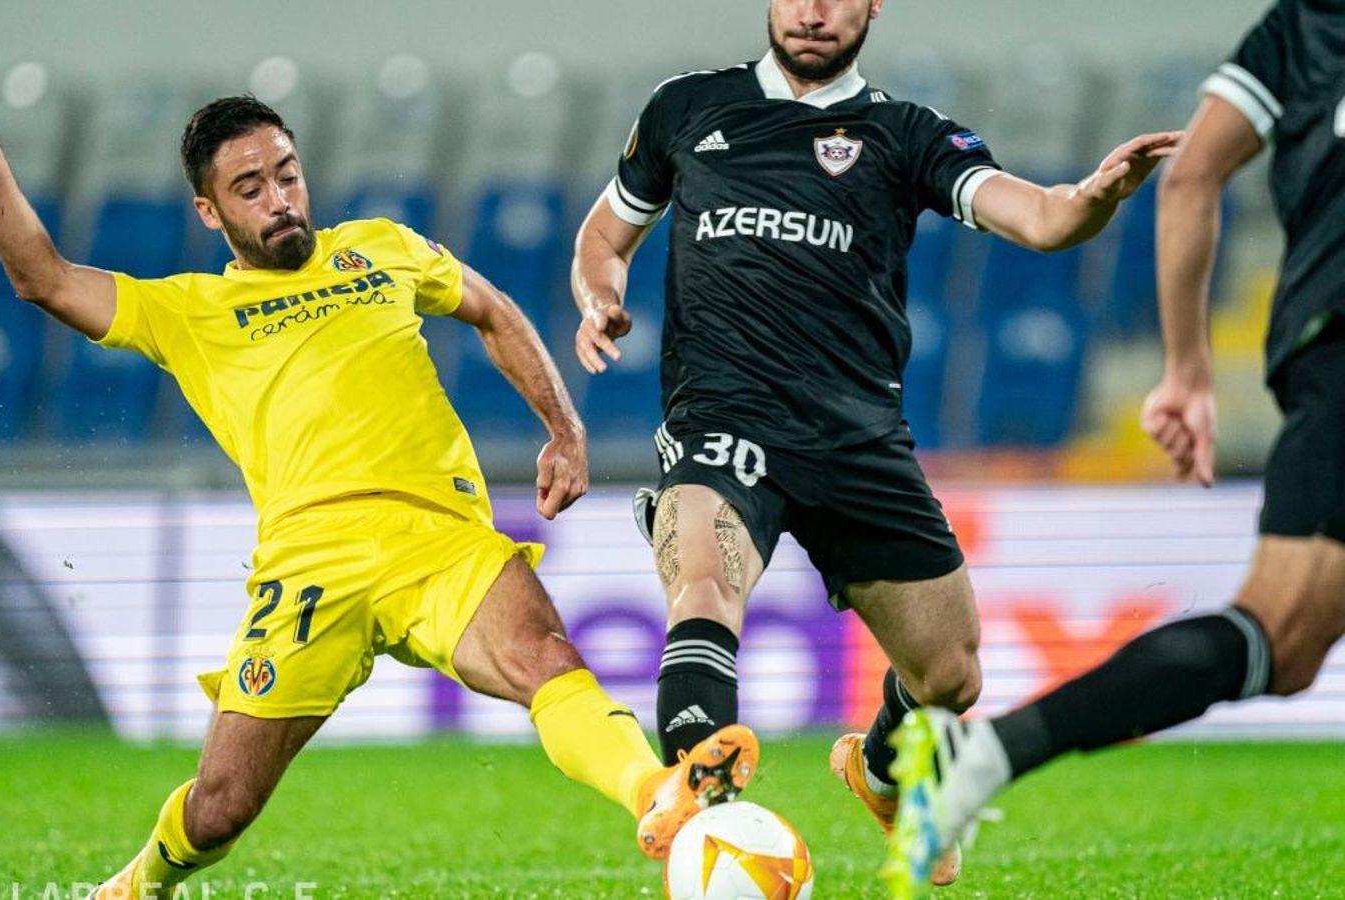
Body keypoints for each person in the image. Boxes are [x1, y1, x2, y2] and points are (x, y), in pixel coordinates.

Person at [0, 31, 761, 895]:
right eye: (249, 188)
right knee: (219, 809)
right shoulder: (188, 310)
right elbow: (44, 277)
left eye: (286, 173)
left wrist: (565, 428)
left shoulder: (382, 248)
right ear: (209, 212)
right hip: (310, 563)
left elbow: (492, 308)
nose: (279, 198)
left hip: (438, 538)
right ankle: (141, 882)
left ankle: (656, 790)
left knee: (549, 658)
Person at [570, 0, 1177, 887]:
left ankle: (881, 770)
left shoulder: (906, 133)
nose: (813, 11)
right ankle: (705, 802)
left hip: (858, 439)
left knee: (952, 675)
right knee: (704, 578)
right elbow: (603, 235)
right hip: (721, 420)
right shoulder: (686, 109)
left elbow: (1042, 219)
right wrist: (601, 292)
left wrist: (1089, 200)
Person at [885, 1, 1345, 895]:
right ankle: (982, 755)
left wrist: (1186, 370)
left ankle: (982, 755)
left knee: (1282, 653)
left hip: (1322, 345)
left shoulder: (1305, 21)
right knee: (1280, 636)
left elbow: (1187, 177)